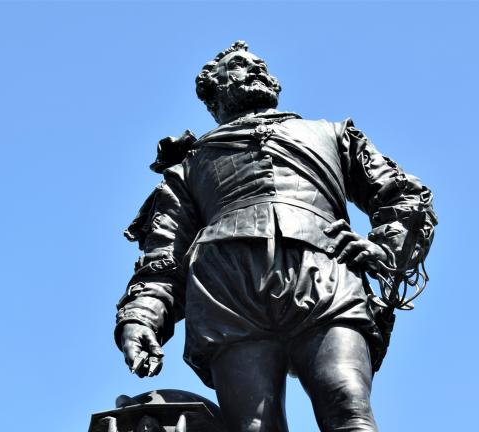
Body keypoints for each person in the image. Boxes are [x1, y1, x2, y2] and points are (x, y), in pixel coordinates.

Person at [114, 41, 437, 432]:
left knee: (347, 404)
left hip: (324, 273)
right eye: (237, 66)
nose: (255, 69)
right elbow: (162, 257)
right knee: (255, 427)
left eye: (259, 64)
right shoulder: (188, 167)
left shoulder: (332, 135)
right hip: (226, 293)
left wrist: (385, 246)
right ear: (211, 89)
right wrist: (141, 318)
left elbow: (401, 195)